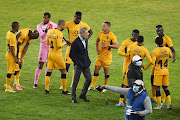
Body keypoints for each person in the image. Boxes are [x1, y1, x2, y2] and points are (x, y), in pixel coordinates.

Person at [60, 11, 93, 89]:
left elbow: (91, 31)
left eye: (79, 18)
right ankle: (63, 84)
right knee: (67, 66)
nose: (78, 20)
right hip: (70, 47)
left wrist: (86, 39)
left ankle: (72, 83)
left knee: (76, 65)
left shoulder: (83, 25)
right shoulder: (69, 23)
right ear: (74, 16)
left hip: (79, 49)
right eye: (77, 18)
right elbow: (59, 30)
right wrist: (65, 40)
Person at [89, 22, 118, 91]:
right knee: (96, 70)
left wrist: (108, 45)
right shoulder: (100, 33)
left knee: (106, 72)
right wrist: (97, 49)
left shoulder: (112, 36)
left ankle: (105, 86)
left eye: (104, 26)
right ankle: (92, 86)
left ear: (108, 27)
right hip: (100, 56)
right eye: (102, 26)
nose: (102, 27)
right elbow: (97, 40)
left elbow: (116, 46)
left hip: (107, 57)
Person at [151, 25, 176, 104]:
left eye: (160, 31)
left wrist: (174, 57)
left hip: (161, 66)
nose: (158, 32)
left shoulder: (167, 39)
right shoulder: (157, 38)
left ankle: (163, 100)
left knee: (162, 85)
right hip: (157, 63)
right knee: (152, 79)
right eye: (157, 31)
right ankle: (154, 97)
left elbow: (173, 50)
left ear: (163, 30)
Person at [45, 20, 71, 95]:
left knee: (49, 71)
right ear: (62, 26)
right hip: (57, 55)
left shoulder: (50, 31)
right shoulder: (59, 33)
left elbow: (47, 43)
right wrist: (65, 43)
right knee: (64, 72)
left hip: (50, 54)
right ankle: (64, 90)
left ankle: (46, 90)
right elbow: (59, 45)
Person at [33, 12, 57, 89]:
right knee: (40, 65)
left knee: (48, 65)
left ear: (49, 18)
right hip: (43, 47)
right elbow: (42, 37)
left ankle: (46, 83)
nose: (44, 19)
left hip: (50, 47)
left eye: (46, 18)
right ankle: (35, 83)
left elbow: (56, 34)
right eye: (43, 17)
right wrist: (46, 31)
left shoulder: (54, 25)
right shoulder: (39, 26)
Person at [116, 29, 139, 106]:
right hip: (126, 65)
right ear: (132, 34)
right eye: (135, 36)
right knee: (125, 82)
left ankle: (128, 99)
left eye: (137, 37)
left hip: (134, 66)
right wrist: (127, 55)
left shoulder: (137, 44)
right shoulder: (126, 42)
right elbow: (119, 52)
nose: (136, 38)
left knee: (132, 83)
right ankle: (121, 101)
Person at [69, 27, 92, 103]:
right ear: (81, 33)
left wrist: (88, 60)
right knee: (76, 81)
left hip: (85, 63)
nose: (88, 34)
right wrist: (77, 63)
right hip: (79, 65)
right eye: (86, 33)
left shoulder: (86, 40)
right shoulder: (75, 42)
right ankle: (73, 98)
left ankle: (83, 94)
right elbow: (71, 54)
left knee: (89, 79)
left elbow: (85, 51)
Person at [152, 37, 172, 110]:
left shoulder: (155, 51)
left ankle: (159, 106)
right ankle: (169, 104)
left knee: (157, 88)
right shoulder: (167, 49)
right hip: (166, 71)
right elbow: (171, 56)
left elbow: (153, 62)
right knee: (165, 88)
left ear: (156, 43)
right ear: (163, 42)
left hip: (158, 72)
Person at [5, 22, 20, 92]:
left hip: (8, 54)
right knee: (10, 71)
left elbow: (13, 42)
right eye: (18, 27)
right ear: (16, 27)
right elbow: (12, 48)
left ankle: (7, 83)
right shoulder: (12, 36)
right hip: (11, 56)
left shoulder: (9, 33)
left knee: (16, 69)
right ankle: (7, 87)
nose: (18, 28)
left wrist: (17, 37)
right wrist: (15, 58)